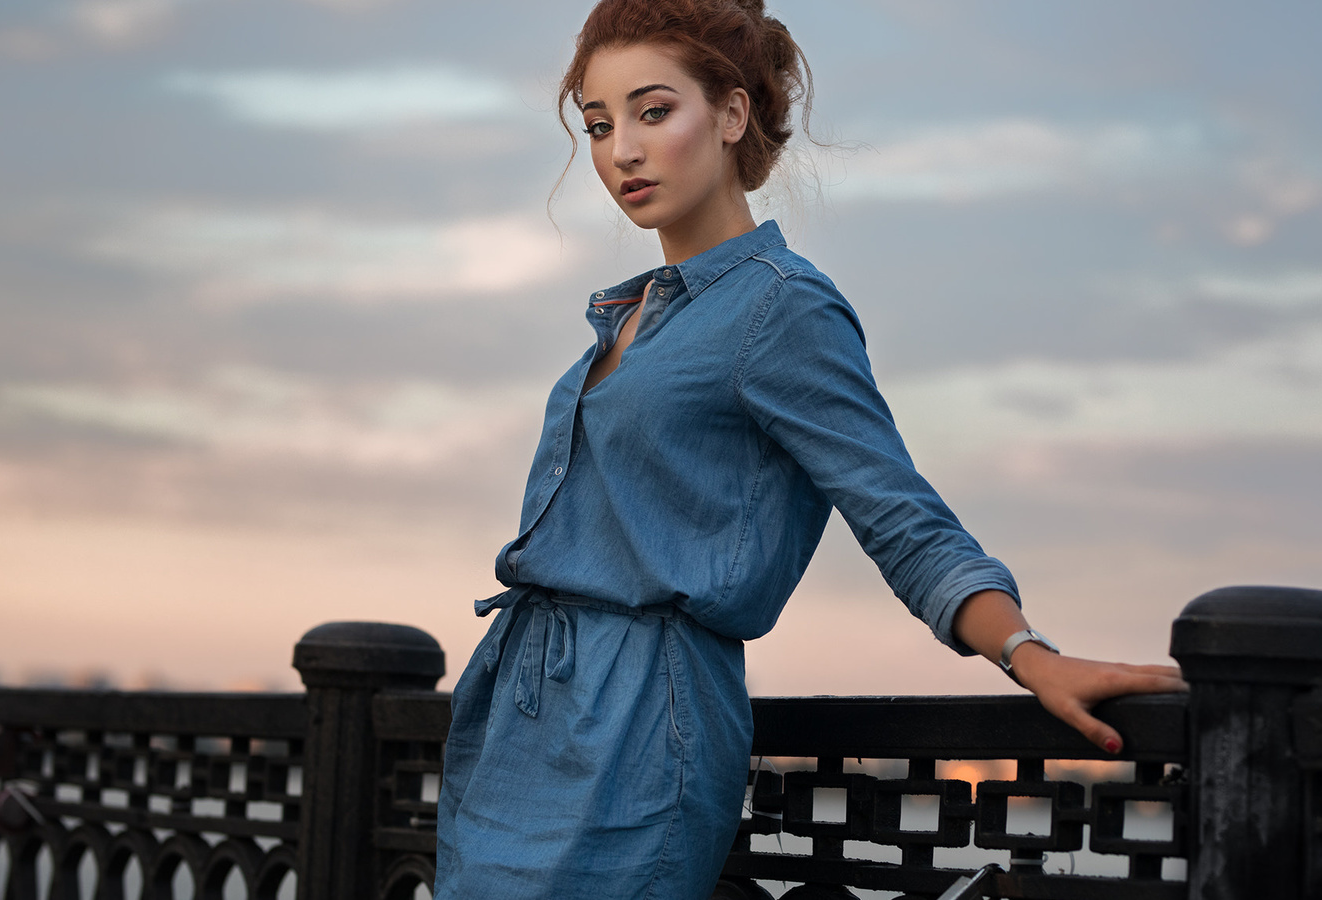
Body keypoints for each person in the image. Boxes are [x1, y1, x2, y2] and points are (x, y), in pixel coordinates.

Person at [435, 1, 1187, 897]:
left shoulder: (781, 308)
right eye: (599, 127)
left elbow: (898, 515)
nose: (620, 152)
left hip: (636, 719)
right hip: (519, 709)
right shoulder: (629, 314)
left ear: (730, 114)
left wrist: (1029, 651)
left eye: (652, 111)